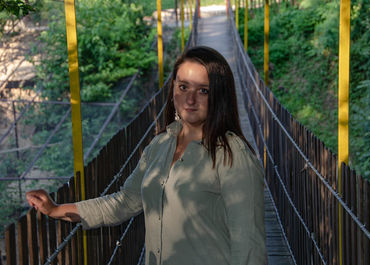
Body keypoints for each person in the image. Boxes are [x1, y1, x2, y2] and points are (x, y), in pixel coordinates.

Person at [26, 46, 267, 265]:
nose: (190, 99)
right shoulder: (160, 145)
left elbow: (249, 245)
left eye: (203, 90)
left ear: (219, 95)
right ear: (173, 87)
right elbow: (126, 202)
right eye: (183, 87)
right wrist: (56, 209)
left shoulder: (233, 155)